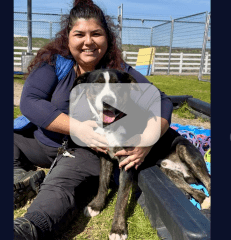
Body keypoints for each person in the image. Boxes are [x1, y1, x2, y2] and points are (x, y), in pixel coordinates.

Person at [13, 0, 176, 239]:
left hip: (85, 149)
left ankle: (29, 228)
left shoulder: (118, 71)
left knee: (62, 185)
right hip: (42, 142)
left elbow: (160, 100)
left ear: (107, 38)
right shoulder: (56, 63)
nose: (88, 41)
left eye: (96, 34)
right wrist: (76, 127)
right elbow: (30, 102)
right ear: (67, 37)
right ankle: (21, 178)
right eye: (80, 34)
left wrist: (148, 139)